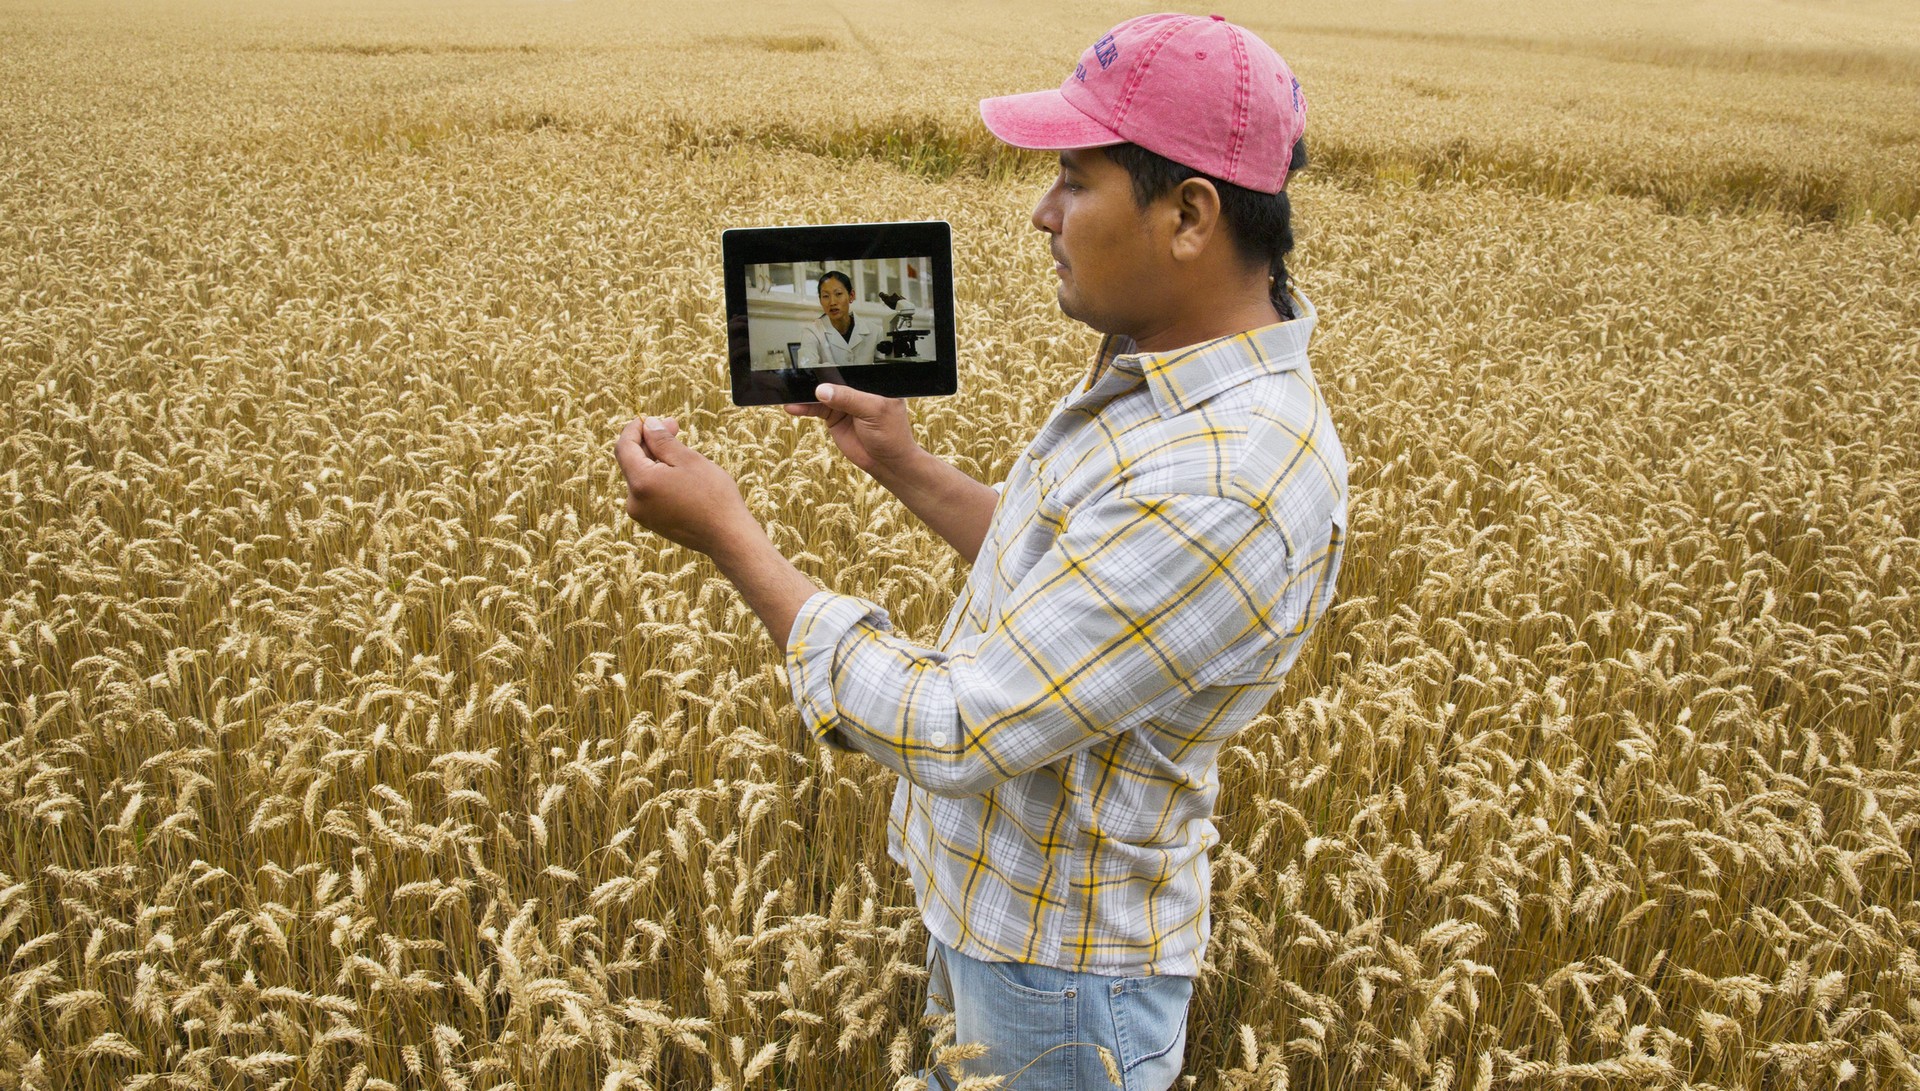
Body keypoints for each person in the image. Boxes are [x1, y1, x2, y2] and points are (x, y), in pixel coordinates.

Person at [614, 13, 1345, 1089]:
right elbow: (1079, 579)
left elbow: (959, 724)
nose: (1042, 214)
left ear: (1189, 214)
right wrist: (906, 466)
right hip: (1015, 918)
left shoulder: (1224, 481)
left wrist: (733, 538)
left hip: (1063, 979)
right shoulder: (1173, 377)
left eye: (1074, 180)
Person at [795, 269, 878, 369]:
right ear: (820, 300)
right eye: (825, 296)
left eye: (838, 294)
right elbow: (806, 367)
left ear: (851, 296)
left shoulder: (875, 331)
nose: (832, 302)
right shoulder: (812, 331)